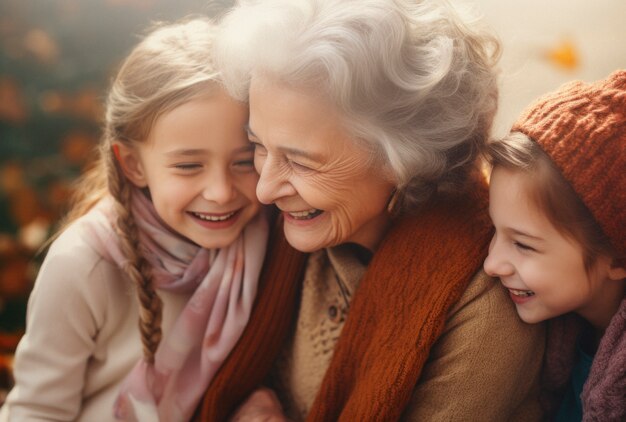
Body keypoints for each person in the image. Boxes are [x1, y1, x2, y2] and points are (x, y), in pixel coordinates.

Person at [194, 1, 546, 420]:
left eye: (302, 162)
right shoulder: (253, 219)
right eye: (257, 146)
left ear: (404, 157)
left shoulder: (485, 305)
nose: (266, 189)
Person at [0, 17, 270, 422]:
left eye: (244, 161)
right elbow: (37, 411)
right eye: (189, 165)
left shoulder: (266, 236)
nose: (221, 191)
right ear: (133, 165)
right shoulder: (83, 265)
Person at [483, 70, 626, 421]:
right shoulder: (565, 334)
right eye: (494, 231)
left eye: (524, 245)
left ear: (617, 256)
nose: (491, 264)